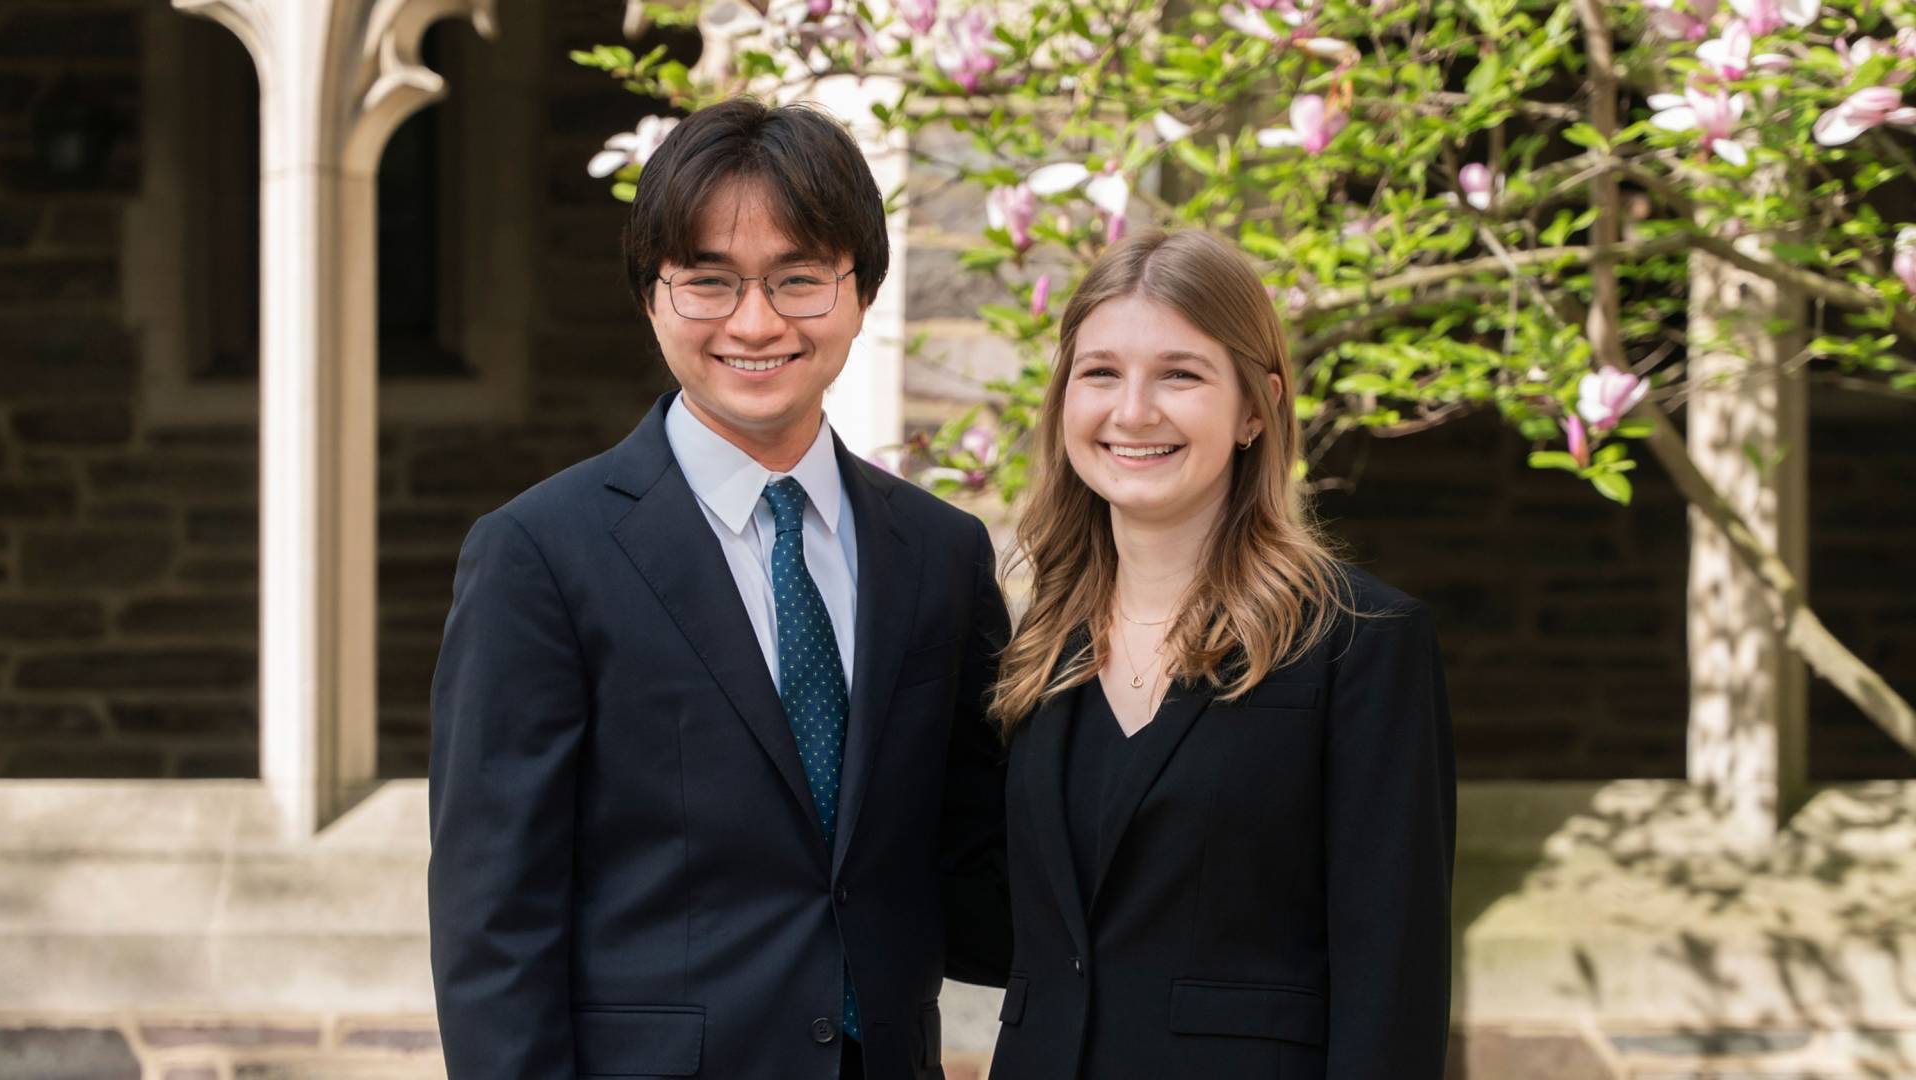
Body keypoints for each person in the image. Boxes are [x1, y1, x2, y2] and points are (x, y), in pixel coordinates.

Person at [427, 98, 1012, 1080]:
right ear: (651, 296)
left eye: (800, 280)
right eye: (709, 281)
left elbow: (977, 866)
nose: (756, 322)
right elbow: (495, 922)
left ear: (861, 291)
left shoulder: (940, 555)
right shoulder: (539, 557)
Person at [985, 229, 1456, 1079]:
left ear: (1254, 408)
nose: (1132, 411)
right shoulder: (1036, 650)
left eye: (1180, 374)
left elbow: (1394, 978)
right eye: (1099, 373)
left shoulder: (1360, 647)